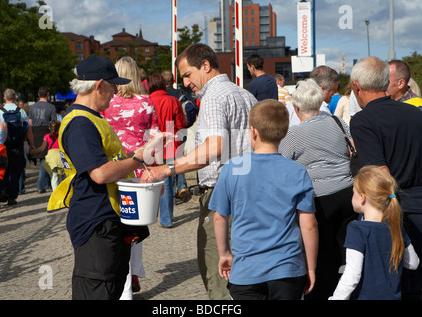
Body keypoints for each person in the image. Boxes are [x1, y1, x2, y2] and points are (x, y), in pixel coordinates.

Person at [47, 55, 169, 300]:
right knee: (97, 289)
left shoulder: (92, 118)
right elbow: (100, 173)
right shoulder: (81, 123)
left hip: (108, 219)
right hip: (95, 222)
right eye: (113, 86)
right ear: (99, 85)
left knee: (110, 286)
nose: (116, 92)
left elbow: (109, 166)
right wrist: (138, 158)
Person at [141, 43, 257, 300]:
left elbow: (214, 147)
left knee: (219, 276)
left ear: (205, 66)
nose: (184, 82)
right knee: (245, 274)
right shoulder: (245, 94)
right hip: (249, 191)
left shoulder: (214, 97)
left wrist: (168, 168)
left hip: (221, 195)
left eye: (187, 74)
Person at [210, 99, 318, 300]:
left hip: (246, 271)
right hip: (287, 268)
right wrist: (310, 267)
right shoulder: (297, 171)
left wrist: (224, 253)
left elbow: (219, 218)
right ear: (284, 133)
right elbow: (309, 225)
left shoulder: (232, 168)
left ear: (253, 132)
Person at [349, 56, 422, 300]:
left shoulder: (363, 121)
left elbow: (380, 174)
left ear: (356, 87)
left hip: (396, 214)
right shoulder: (415, 113)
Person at [279, 78, 358, 300]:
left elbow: (280, 162)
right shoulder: (337, 122)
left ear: (295, 107)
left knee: (323, 252)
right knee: (347, 249)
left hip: (319, 197)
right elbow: (352, 148)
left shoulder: (294, 135)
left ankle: (325, 293)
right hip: (348, 192)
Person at [102, 56, 160, 299]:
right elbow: (155, 140)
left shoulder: (105, 104)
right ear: (136, 75)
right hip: (138, 171)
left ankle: (117, 280)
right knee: (135, 227)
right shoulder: (146, 104)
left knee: (113, 225)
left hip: (111, 169)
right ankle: (130, 278)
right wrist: (156, 171)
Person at [330, 166, 419, 300]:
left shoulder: (357, 229)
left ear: (362, 198)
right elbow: (413, 263)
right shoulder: (396, 226)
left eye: (353, 192)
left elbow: (352, 276)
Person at [148, 73, 186, 228]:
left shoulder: (147, 101)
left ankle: (149, 212)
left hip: (151, 145)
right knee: (167, 181)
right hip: (170, 144)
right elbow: (180, 123)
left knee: (150, 178)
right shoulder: (173, 101)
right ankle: (166, 218)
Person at [161, 70, 194, 202]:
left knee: (169, 164)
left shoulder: (161, 96)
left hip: (165, 133)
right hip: (180, 131)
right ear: (173, 81)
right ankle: (182, 186)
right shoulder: (181, 94)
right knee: (178, 159)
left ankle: (176, 192)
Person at [0, 88, 34, 205]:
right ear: (15, 98)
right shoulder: (21, 111)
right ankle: (12, 196)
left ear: (4, 98)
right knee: (16, 171)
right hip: (18, 145)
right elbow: (28, 129)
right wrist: (31, 144)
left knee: (5, 169)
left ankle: (4, 191)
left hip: (3, 145)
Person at [29, 86, 58, 194]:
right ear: (47, 94)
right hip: (46, 131)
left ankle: (47, 184)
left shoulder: (33, 107)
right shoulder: (51, 107)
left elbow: (30, 122)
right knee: (45, 158)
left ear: (38, 95)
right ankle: (41, 184)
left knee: (43, 158)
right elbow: (54, 122)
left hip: (35, 131)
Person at [29, 120, 64, 190]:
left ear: (49, 128)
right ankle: (61, 193)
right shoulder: (61, 136)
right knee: (60, 176)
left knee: (54, 177)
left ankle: (55, 193)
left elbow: (42, 148)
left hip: (52, 158)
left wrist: (33, 152)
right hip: (60, 156)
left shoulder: (47, 136)